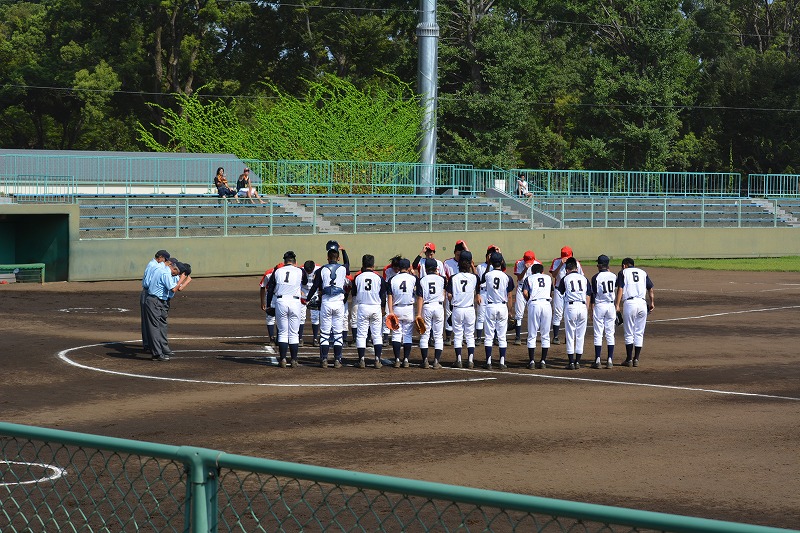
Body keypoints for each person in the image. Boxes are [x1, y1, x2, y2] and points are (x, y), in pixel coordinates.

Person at [306, 241, 350, 368]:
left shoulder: (321, 270)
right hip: (339, 304)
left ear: (327, 257)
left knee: (325, 333)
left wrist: (307, 299)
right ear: (338, 258)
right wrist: (344, 251)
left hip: (326, 303)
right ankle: (337, 360)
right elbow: (347, 264)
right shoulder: (343, 269)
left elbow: (315, 286)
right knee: (338, 333)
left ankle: (324, 359)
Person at [266, 251, 308, 368]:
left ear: (284, 261)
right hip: (295, 302)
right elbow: (305, 282)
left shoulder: (278, 271)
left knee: (283, 332)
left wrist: (269, 304)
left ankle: (283, 359)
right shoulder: (300, 271)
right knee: (294, 333)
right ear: (295, 261)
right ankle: (294, 360)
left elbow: (270, 289)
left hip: (281, 301)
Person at [144, 259, 190, 362]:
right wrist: (182, 279)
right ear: (174, 269)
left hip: (158, 301)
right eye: (176, 273)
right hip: (154, 301)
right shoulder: (165, 273)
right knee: (154, 327)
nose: (175, 275)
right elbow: (173, 289)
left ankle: (161, 350)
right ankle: (157, 354)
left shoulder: (163, 271)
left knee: (160, 325)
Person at [614, 257, 655, 367]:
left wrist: (617, 304)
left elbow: (620, 289)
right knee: (639, 332)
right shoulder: (643, 272)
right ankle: (636, 358)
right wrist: (652, 302)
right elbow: (650, 289)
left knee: (629, 332)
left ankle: (628, 359)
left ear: (624, 265)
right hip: (642, 304)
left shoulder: (623, 272)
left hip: (630, 304)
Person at [352, 254, 387, 368]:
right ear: (373, 265)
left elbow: (354, 293)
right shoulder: (379, 278)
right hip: (375, 307)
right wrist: (383, 308)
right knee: (377, 335)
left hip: (363, 307)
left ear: (363, 264)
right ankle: (377, 360)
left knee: (361, 335)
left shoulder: (358, 277)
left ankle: (361, 360)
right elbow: (383, 295)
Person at [446, 250, 480, 368]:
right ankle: (470, 360)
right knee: (470, 335)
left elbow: (449, 295)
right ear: (470, 263)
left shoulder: (453, 278)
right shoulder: (475, 277)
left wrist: (453, 302)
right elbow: (478, 291)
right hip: (469, 310)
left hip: (457, 309)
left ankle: (459, 360)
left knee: (458, 335)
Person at [557, 257, 592, 370]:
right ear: (576, 268)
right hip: (582, 307)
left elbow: (560, 292)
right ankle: (577, 362)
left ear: (567, 269)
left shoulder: (565, 278)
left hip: (571, 307)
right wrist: (586, 309)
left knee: (570, 334)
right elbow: (588, 294)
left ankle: (571, 362)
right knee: (580, 335)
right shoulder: (584, 278)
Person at [481, 251, 514, 369]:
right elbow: (509, 295)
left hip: (490, 307)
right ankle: (502, 362)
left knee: (489, 336)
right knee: (502, 336)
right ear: (501, 262)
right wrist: (510, 311)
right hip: (502, 307)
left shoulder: (488, 275)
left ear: (491, 262)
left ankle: (488, 362)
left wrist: (488, 264)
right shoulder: (507, 277)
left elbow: (482, 279)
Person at [549, 246, 583, 344]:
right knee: (558, 313)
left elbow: (581, 277)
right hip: (559, 290)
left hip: (571, 292)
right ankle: (555, 337)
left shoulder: (576, 263)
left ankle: (569, 336)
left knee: (570, 313)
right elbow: (554, 275)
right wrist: (561, 264)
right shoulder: (556, 261)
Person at [416, 260, 446, 368]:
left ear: (426, 268)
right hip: (438, 307)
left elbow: (420, 298)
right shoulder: (442, 279)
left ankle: (425, 361)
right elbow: (444, 293)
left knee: (425, 334)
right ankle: (436, 361)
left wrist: (418, 314)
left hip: (427, 307)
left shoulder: (422, 280)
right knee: (438, 335)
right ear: (436, 268)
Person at [386, 258, 417, 368]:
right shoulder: (413, 279)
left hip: (397, 308)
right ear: (408, 268)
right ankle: (406, 359)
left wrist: (390, 312)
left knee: (396, 334)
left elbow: (389, 296)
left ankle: (397, 359)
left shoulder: (392, 279)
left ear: (398, 268)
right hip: (409, 309)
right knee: (407, 335)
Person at [522, 263, 553, 369]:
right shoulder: (548, 278)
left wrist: (529, 301)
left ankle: (532, 361)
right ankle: (543, 361)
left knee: (532, 334)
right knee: (545, 334)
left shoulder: (529, 278)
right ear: (542, 271)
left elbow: (525, 293)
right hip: (546, 305)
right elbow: (551, 292)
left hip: (534, 304)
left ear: (532, 271)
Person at [589, 254, 617, 369]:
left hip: (600, 305)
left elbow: (593, 294)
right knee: (610, 333)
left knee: (598, 333)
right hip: (611, 306)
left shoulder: (595, 277)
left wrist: (591, 309)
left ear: (599, 265)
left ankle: (598, 360)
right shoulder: (614, 276)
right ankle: (610, 360)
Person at [140, 249, 170, 353]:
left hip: (149, 292)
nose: (165, 262)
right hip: (148, 293)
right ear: (160, 257)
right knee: (147, 321)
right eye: (165, 259)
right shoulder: (153, 265)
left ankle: (150, 344)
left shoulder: (154, 265)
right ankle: (148, 345)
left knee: (150, 321)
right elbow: (147, 282)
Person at [442, 240, 470, 346]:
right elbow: (444, 277)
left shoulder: (465, 262)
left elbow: (470, 257)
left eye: (461, 255)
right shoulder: (447, 263)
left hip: (462, 293)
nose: (459, 257)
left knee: (462, 314)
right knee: (449, 313)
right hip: (451, 291)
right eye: (457, 254)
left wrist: (466, 247)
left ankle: (462, 336)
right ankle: (448, 337)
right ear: (454, 253)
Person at [512, 250, 541, 345]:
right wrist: (525, 268)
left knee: (533, 312)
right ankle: (518, 337)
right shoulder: (519, 263)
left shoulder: (537, 264)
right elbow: (519, 278)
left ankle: (532, 335)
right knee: (519, 313)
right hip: (521, 288)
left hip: (533, 290)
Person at [300, 260, 321, 346]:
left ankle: (315, 338)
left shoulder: (319, 269)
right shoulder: (300, 270)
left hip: (314, 293)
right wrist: (299, 291)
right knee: (301, 316)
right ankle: (300, 338)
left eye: (310, 271)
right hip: (303, 292)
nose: (308, 273)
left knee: (315, 316)